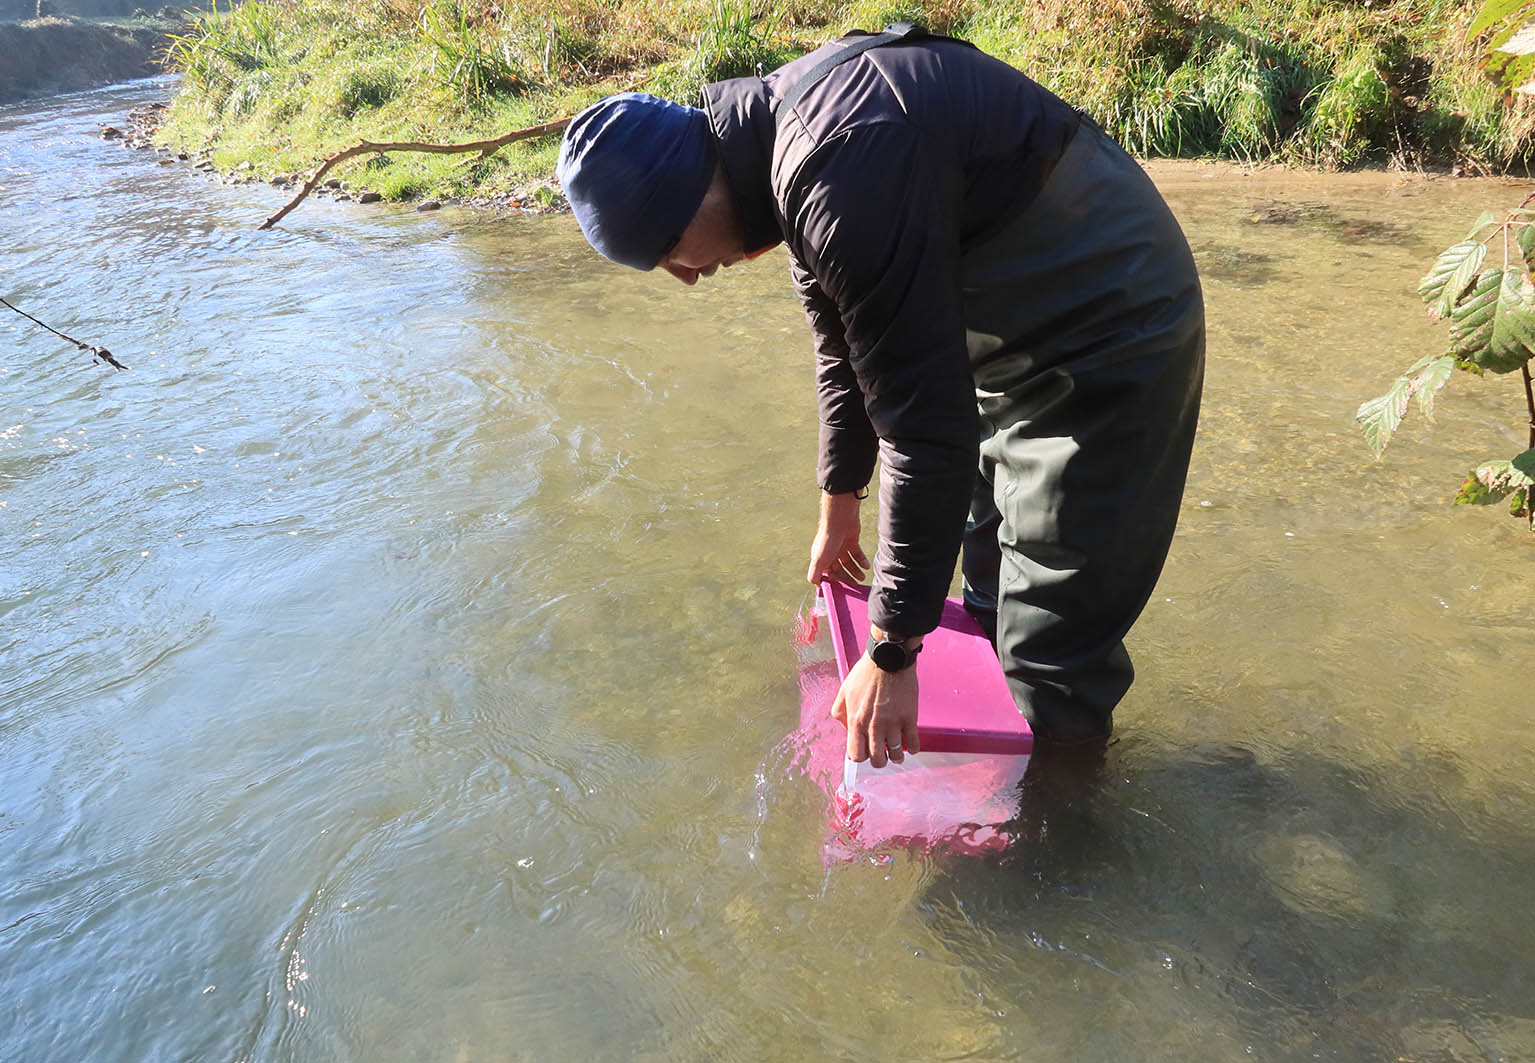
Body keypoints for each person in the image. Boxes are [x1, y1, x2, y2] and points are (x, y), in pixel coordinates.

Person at [556, 24, 1204, 766]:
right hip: (1014, 330)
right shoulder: (780, 154)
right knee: (987, 578)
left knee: (1048, 646)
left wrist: (893, 649)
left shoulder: (839, 171)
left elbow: (923, 430)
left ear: (690, 192)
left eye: (668, 251)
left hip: (1110, 323)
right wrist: (839, 503)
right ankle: (1003, 771)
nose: (685, 275)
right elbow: (843, 354)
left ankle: (1062, 811)